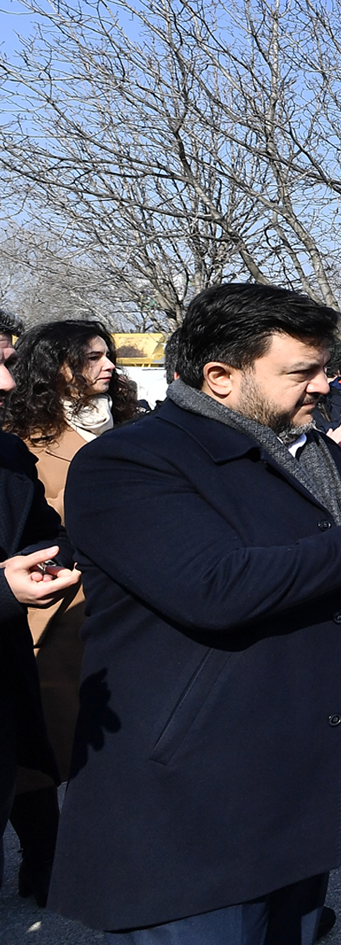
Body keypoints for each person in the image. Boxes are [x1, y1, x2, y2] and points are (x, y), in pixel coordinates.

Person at [51, 283, 341, 945]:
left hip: (290, 784)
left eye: (324, 367)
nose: (325, 385)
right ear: (219, 376)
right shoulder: (128, 462)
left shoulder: (308, 449)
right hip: (189, 802)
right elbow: (218, 587)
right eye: (301, 372)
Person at [2, 320, 140, 902]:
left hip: (127, 607)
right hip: (55, 615)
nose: (106, 366)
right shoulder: (22, 438)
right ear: (54, 366)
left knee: (119, 739)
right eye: (89, 358)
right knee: (43, 747)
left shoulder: (135, 426)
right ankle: (44, 852)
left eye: (108, 356)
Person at [0, 337, 83, 911]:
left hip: (12, 663)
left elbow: (41, 532)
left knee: (32, 760)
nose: (5, 383)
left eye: (5, 364)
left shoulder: (7, 460)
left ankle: (45, 855)